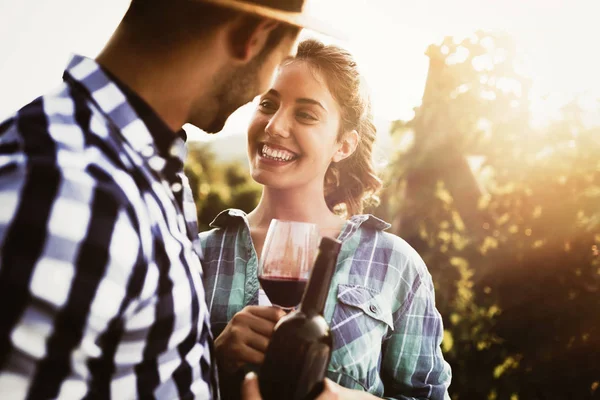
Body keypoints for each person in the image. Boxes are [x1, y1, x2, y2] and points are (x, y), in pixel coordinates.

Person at [0, 0, 339, 398]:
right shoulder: (70, 191)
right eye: (279, 58)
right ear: (254, 37)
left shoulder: (139, 166)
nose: (259, 93)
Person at [200, 39, 452, 399]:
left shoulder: (394, 265)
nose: (274, 126)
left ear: (343, 145)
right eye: (268, 104)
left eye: (305, 114)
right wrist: (213, 361)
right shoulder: (193, 256)